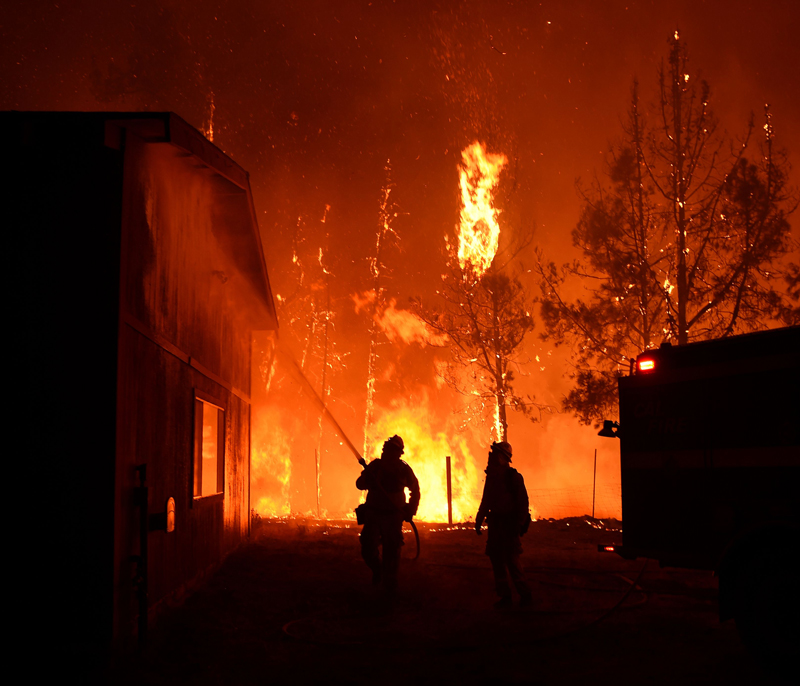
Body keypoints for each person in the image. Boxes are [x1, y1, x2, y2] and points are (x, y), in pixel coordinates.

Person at [356, 435, 420, 593]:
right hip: (374, 515)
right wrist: (369, 479)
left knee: (391, 554)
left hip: (393, 517)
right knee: (367, 547)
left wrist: (410, 510)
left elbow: (415, 490)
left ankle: (390, 590)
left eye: (392, 450)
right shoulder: (375, 466)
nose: (388, 453)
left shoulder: (404, 469)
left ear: (399, 453)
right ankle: (378, 570)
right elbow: (359, 484)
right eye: (386, 449)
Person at [475, 441, 533, 608]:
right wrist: (479, 520)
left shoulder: (514, 478)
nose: (490, 457)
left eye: (494, 455)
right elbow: (486, 500)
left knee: (512, 561)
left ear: (502, 457)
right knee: (497, 562)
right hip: (496, 526)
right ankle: (505, 597)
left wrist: (520, 524)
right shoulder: (492, 478)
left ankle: (525, 596)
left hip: (509, 526)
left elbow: (523, 503)